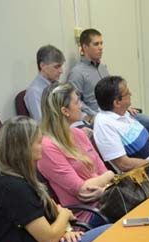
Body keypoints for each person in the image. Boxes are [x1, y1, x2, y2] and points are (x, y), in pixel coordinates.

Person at [0, 117, 110, 242]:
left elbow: (53, 210)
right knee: (109, 232)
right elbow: (50, 238)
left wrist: (66, 230)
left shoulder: (28, 177)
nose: (43, 146)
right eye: (38, 142)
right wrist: (64, 217)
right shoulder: (13, 188)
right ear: (23, 148)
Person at [38, 82, 115, 227]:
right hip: (88, 215)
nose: (80, 106)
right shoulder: (48, 147)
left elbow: (104, 171)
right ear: (65, 111)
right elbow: (83, 190)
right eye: (76, 102)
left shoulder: (79, 133)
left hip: (107, 199)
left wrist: (105, 185)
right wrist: (109, 176)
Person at [67, 28, 149, 137]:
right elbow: (74, 100)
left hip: (118, 111)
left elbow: (113, 91)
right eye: (96, 44)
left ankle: (145, 147)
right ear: (85, 47)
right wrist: (90, 116)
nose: (100, 47)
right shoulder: (77, 72)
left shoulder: (102, 67)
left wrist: (124, 105)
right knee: (138, 134)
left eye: (101, 43)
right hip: (102, 118)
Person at [24, 44, 66, 122]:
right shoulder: (34, 92)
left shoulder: (57, 85)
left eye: (61, 66)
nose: (61, 71)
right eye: (56, 67)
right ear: (42, 66)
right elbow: (42, 123)